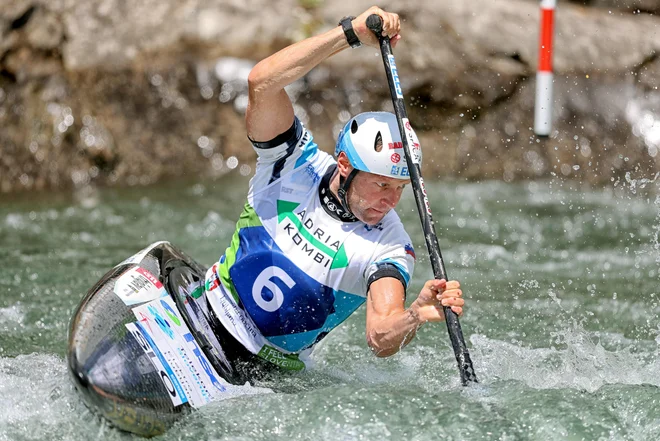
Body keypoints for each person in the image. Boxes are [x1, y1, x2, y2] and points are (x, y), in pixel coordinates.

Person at [197, 6, 465, 382]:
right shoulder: (292, 162)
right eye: (382, 184)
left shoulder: (389, 246)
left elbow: (379, 336)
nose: (391, 202)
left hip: (264, 374)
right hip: (204, 313)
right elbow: (262, 82)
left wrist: (417, 313)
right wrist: (349, 34)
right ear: (344, 165)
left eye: (401, 188)